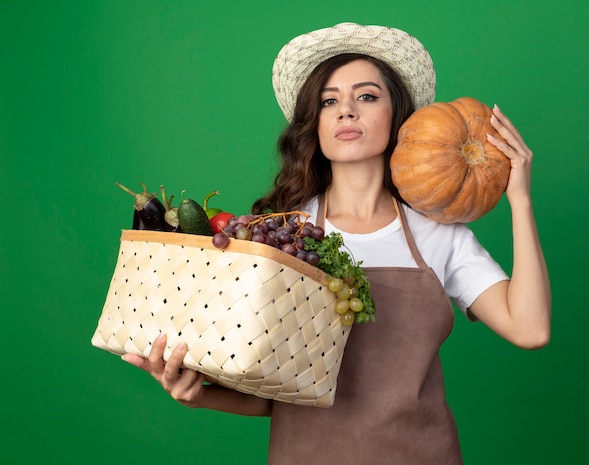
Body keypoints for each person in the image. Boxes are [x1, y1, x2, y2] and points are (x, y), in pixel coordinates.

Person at [122, 22, 551, 464]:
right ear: (316, 124)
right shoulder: (285, 235)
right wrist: (197, 395)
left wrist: (519, 198)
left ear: (398, 116)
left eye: (366, 96)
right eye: (329, 101)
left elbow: (531, 328)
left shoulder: (437, 234)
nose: (347, 111)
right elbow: (274, 394)